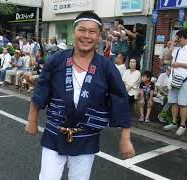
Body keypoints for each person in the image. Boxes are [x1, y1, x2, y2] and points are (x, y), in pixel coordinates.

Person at [25, 12, 135, 180]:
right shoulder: (56, 60)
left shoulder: (107, 67)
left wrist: (125, 139)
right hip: (55, 133)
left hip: (86, 137)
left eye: (92, 32)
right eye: (82, 30)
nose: (86, 36)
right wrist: (32, 120)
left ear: (99, 36)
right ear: (74, 32)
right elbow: (42, 89)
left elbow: (120, 99)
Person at [163, 29, 187, 136]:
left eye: (179, 37)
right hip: (174, 78)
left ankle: (183, 125)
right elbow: (167, 57)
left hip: (186, 79)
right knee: (173, 101)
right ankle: (174, 122)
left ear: (185, 37)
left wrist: (179, 64)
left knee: (183, 103)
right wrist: (172, 44)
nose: (178, 40)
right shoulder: (177, 49)